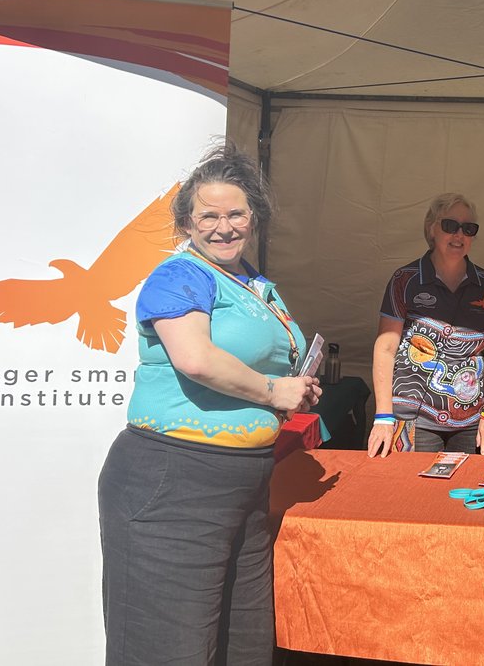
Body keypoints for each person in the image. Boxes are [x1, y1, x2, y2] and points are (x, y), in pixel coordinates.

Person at [98, 143, 321, 666]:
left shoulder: (256, 284)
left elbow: (268, 363)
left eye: (236, 213)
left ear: (254, 218)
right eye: (209, 215)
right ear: (186, 223)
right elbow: (195, 359)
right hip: (174, 482)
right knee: (165, 650)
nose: (224, 226)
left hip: (243, 483)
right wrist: (272, 393)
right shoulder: (180, 276)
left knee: (240, 647)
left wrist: (293, 386)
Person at [368, 192, 484, 456]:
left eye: (468, 229)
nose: (459, 235)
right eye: (449, 226)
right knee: (413, 493)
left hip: (471, 421)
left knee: (467, 494)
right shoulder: (405, 280)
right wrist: (383, 416)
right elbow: (385, 348)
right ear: (432, 229)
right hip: (413, 418)